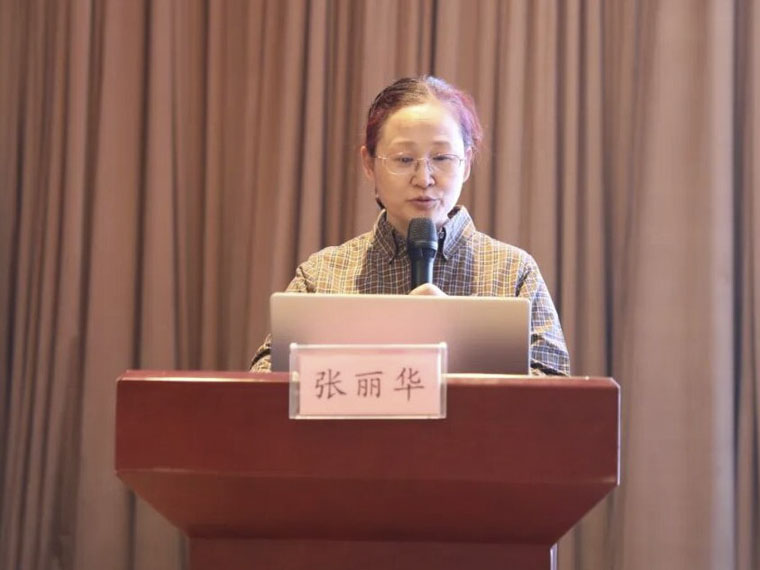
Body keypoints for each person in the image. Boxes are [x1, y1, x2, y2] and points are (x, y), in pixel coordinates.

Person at [251, 76, 570, 375]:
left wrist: (459, 342)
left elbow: (556, 393)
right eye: (404, 159)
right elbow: (263, 382)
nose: (424, 178)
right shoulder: (322, 276)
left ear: (466, 164)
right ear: (369, 164)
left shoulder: (513, 273)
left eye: (441, 158)